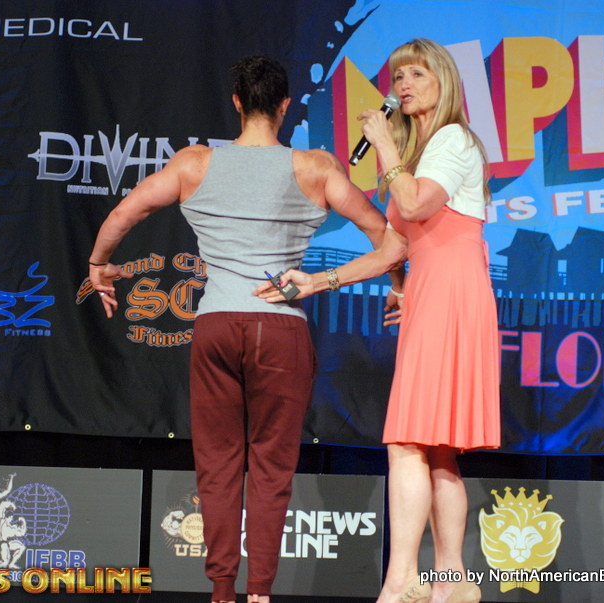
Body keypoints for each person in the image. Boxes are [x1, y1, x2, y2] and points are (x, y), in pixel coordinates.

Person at [87, 56, 392, 603]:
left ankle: (222, 590)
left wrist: (98, 265)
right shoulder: (317, 167)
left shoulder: (194, 163)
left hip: (217, 326)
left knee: (218, 461)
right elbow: (383, 234)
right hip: (282, 328)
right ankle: (261, 592)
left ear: (236, 103)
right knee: (272, 465)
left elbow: (122, 216)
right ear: (284, 106)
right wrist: (396, 284)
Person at [255, 38, 499, 603]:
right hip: (433, 294)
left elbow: (413, 206)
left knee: (407, 439)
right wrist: (317, 281)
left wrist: (386, 145)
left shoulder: (452, 139)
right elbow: (392, 250)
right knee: (436, 447)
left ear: (443, 81)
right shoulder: (422, 154)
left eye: (417, 74)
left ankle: (402, 579)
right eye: (399, 76)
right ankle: (452, 581)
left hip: (451, 295)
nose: (404, 85)